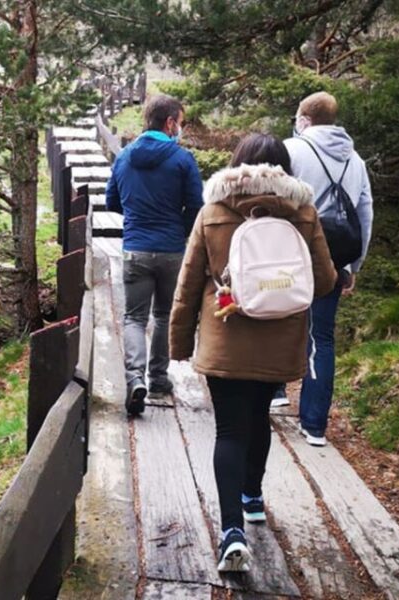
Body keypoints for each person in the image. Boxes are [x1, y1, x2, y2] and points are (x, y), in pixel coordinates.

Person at [169, 134, 337, 572]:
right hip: (280, 338)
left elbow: (188, 284)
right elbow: (324, 281)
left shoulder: (213, 211)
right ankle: (253, 497)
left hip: (226, 330)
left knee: (228, 429)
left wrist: (179, 342)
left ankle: (230, 532)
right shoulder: (303, 212)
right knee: (259, 416)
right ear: (283, 167)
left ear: (236, 164)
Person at [280, 92, 374, 445]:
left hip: (290, 252)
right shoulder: (356, 161)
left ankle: (274, 391)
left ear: (304, 119)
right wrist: (353, 264)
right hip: (333, 259)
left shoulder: (291, 149)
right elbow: (365, 215)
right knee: (322, 336)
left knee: (278, 318)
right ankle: (315, 425)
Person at [105, 94, 203, 416]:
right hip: (172, 249)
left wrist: (136, 215)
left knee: (134, 317)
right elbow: (196, 205)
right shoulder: (182, 159)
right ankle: (158, 379)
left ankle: (135, 379)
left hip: (135, 247)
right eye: (181, 122)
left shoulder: (125, 157)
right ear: (170, 122)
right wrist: (181, 229)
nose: (182, 129)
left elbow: (112, 202)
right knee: (163, 315)